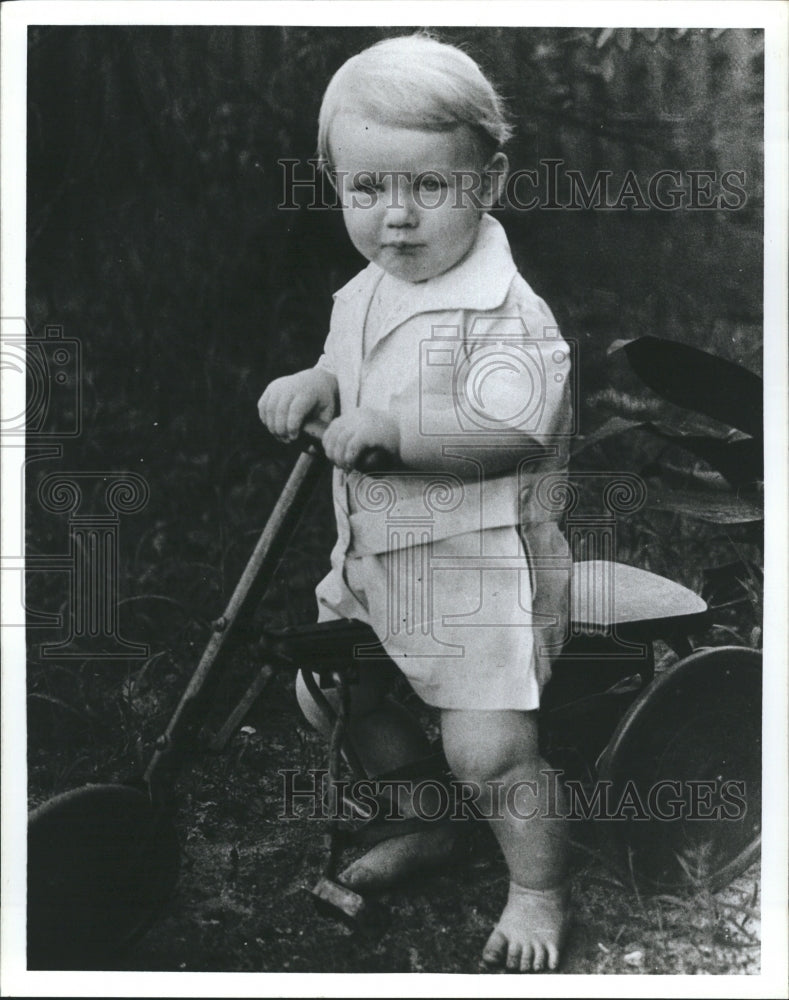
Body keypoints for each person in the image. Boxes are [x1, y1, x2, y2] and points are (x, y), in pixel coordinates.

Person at [258, 33, 573, 973]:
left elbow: (510, 435)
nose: (395, 219)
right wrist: (317, 382)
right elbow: (344, 362)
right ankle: (430, 821)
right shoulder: (366, 288)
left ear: (489, 181)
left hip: (478, 578)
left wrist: (397, 433)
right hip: (374, 560)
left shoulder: (509, 315)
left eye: (428, 189)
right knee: (332, 694)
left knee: (488, 749)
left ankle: (538, 885)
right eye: (367, 191)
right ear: (338, 186)